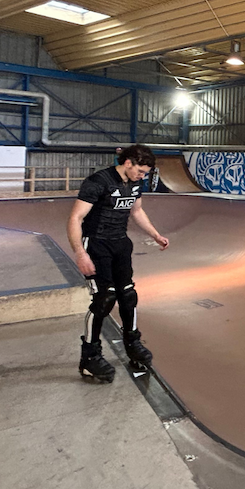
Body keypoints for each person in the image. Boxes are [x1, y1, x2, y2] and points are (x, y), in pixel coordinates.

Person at [68, 144, 170, 383]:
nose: (142, 176)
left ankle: (132, 342)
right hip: (96, 244)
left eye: (145, 173)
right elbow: (76, 217)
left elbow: (137, 211)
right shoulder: (98, 181)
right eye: (140, 171)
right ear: (128, 163)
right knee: (104, 298)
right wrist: (80, 253)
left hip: (121, 243)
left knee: (128, 294)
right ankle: (90, 356)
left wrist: (155, 235)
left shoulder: (135, 183)